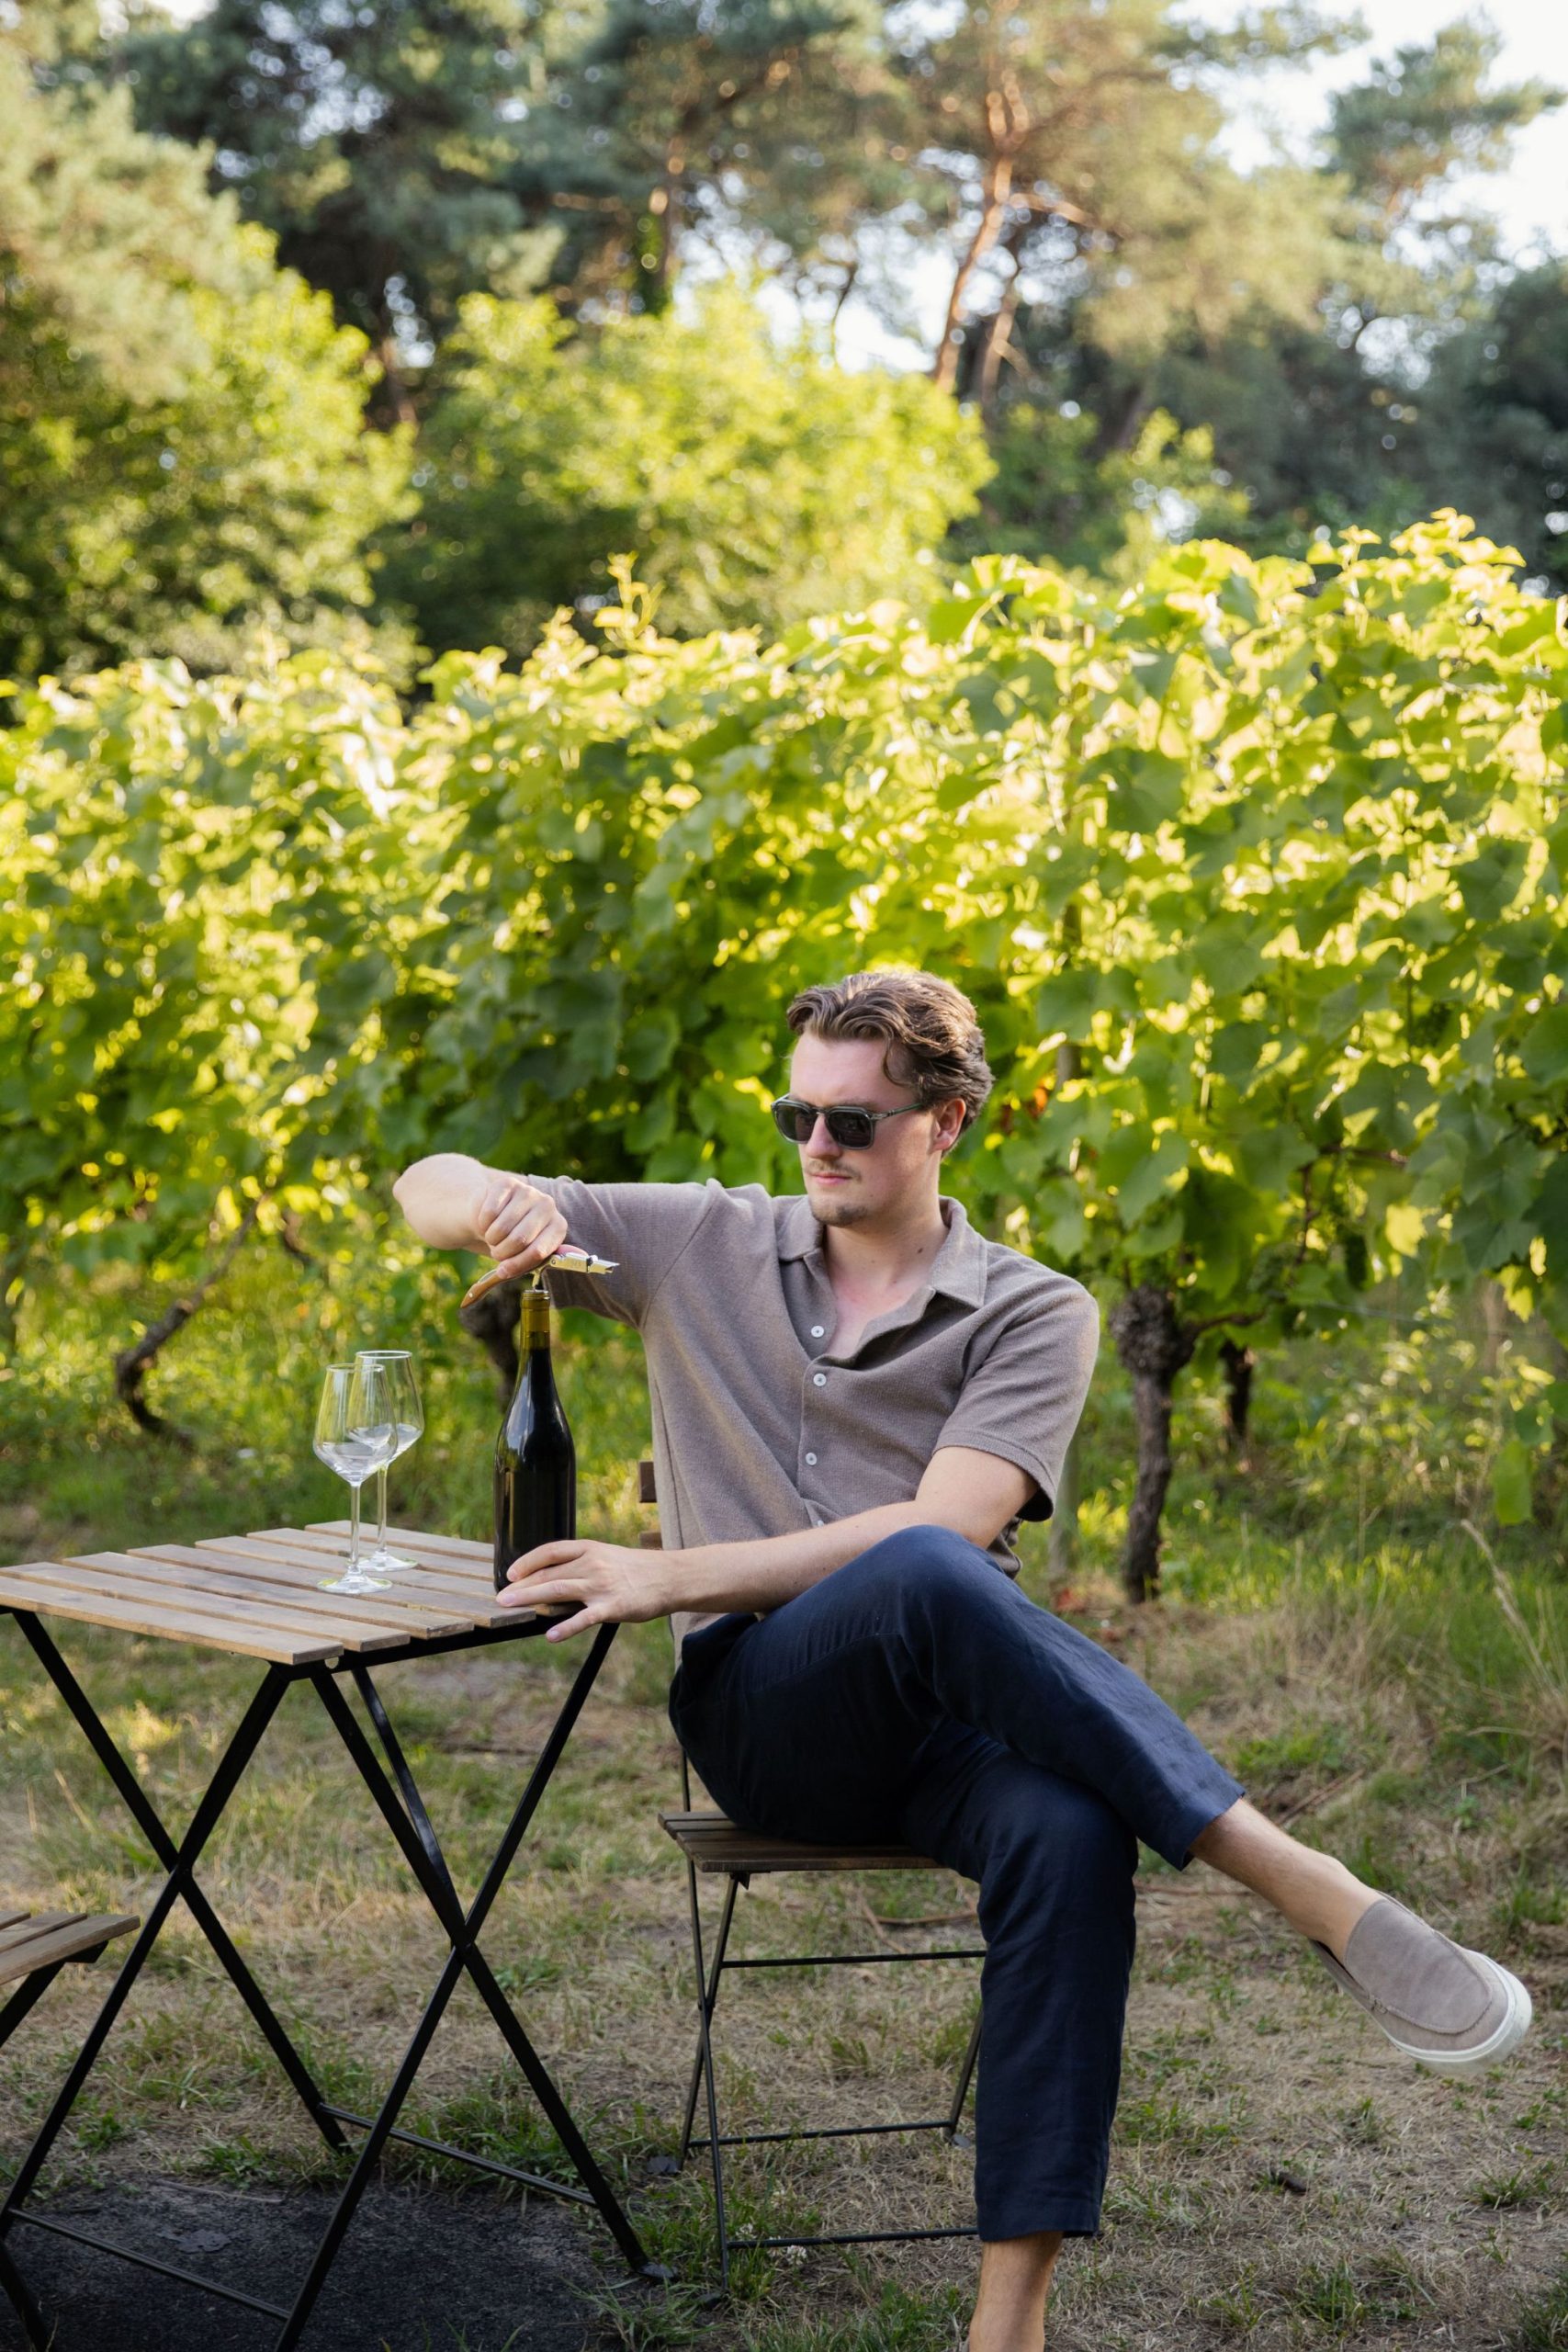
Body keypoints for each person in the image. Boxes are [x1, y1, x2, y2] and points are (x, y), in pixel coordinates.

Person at [393, 967, 1531, 2352]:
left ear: (947, 1122)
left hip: (955, 1733)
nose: (817, 1145)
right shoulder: (701, 1241)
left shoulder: (1034, 1311)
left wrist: (661, 1572)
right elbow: (423, 1182)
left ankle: (1008, 2326)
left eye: (853, 1121)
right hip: (769, 1720)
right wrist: (493, 1207)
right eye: (798, 1115)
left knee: (1068, 1827)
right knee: (928, 1569)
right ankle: (1300, 1881)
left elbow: (951, 1523)